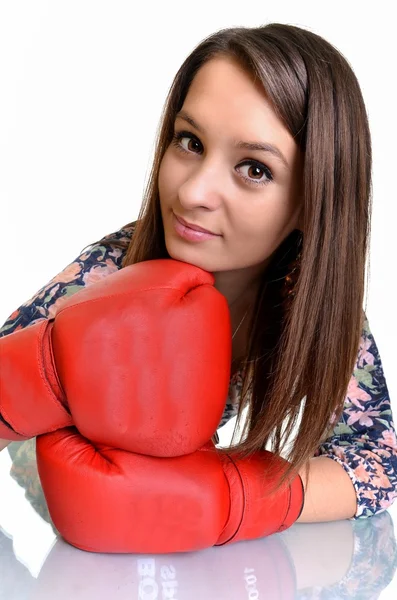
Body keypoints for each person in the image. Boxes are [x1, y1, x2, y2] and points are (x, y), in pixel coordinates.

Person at [0, 22, 396, 529]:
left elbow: (377, 460)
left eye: (254, 168)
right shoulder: (112, 270)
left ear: (313, 201)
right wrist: (49, 373)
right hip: (50, 532)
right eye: (189, 141)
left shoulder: (308, 298)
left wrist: (231, 500)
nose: (192, 194)